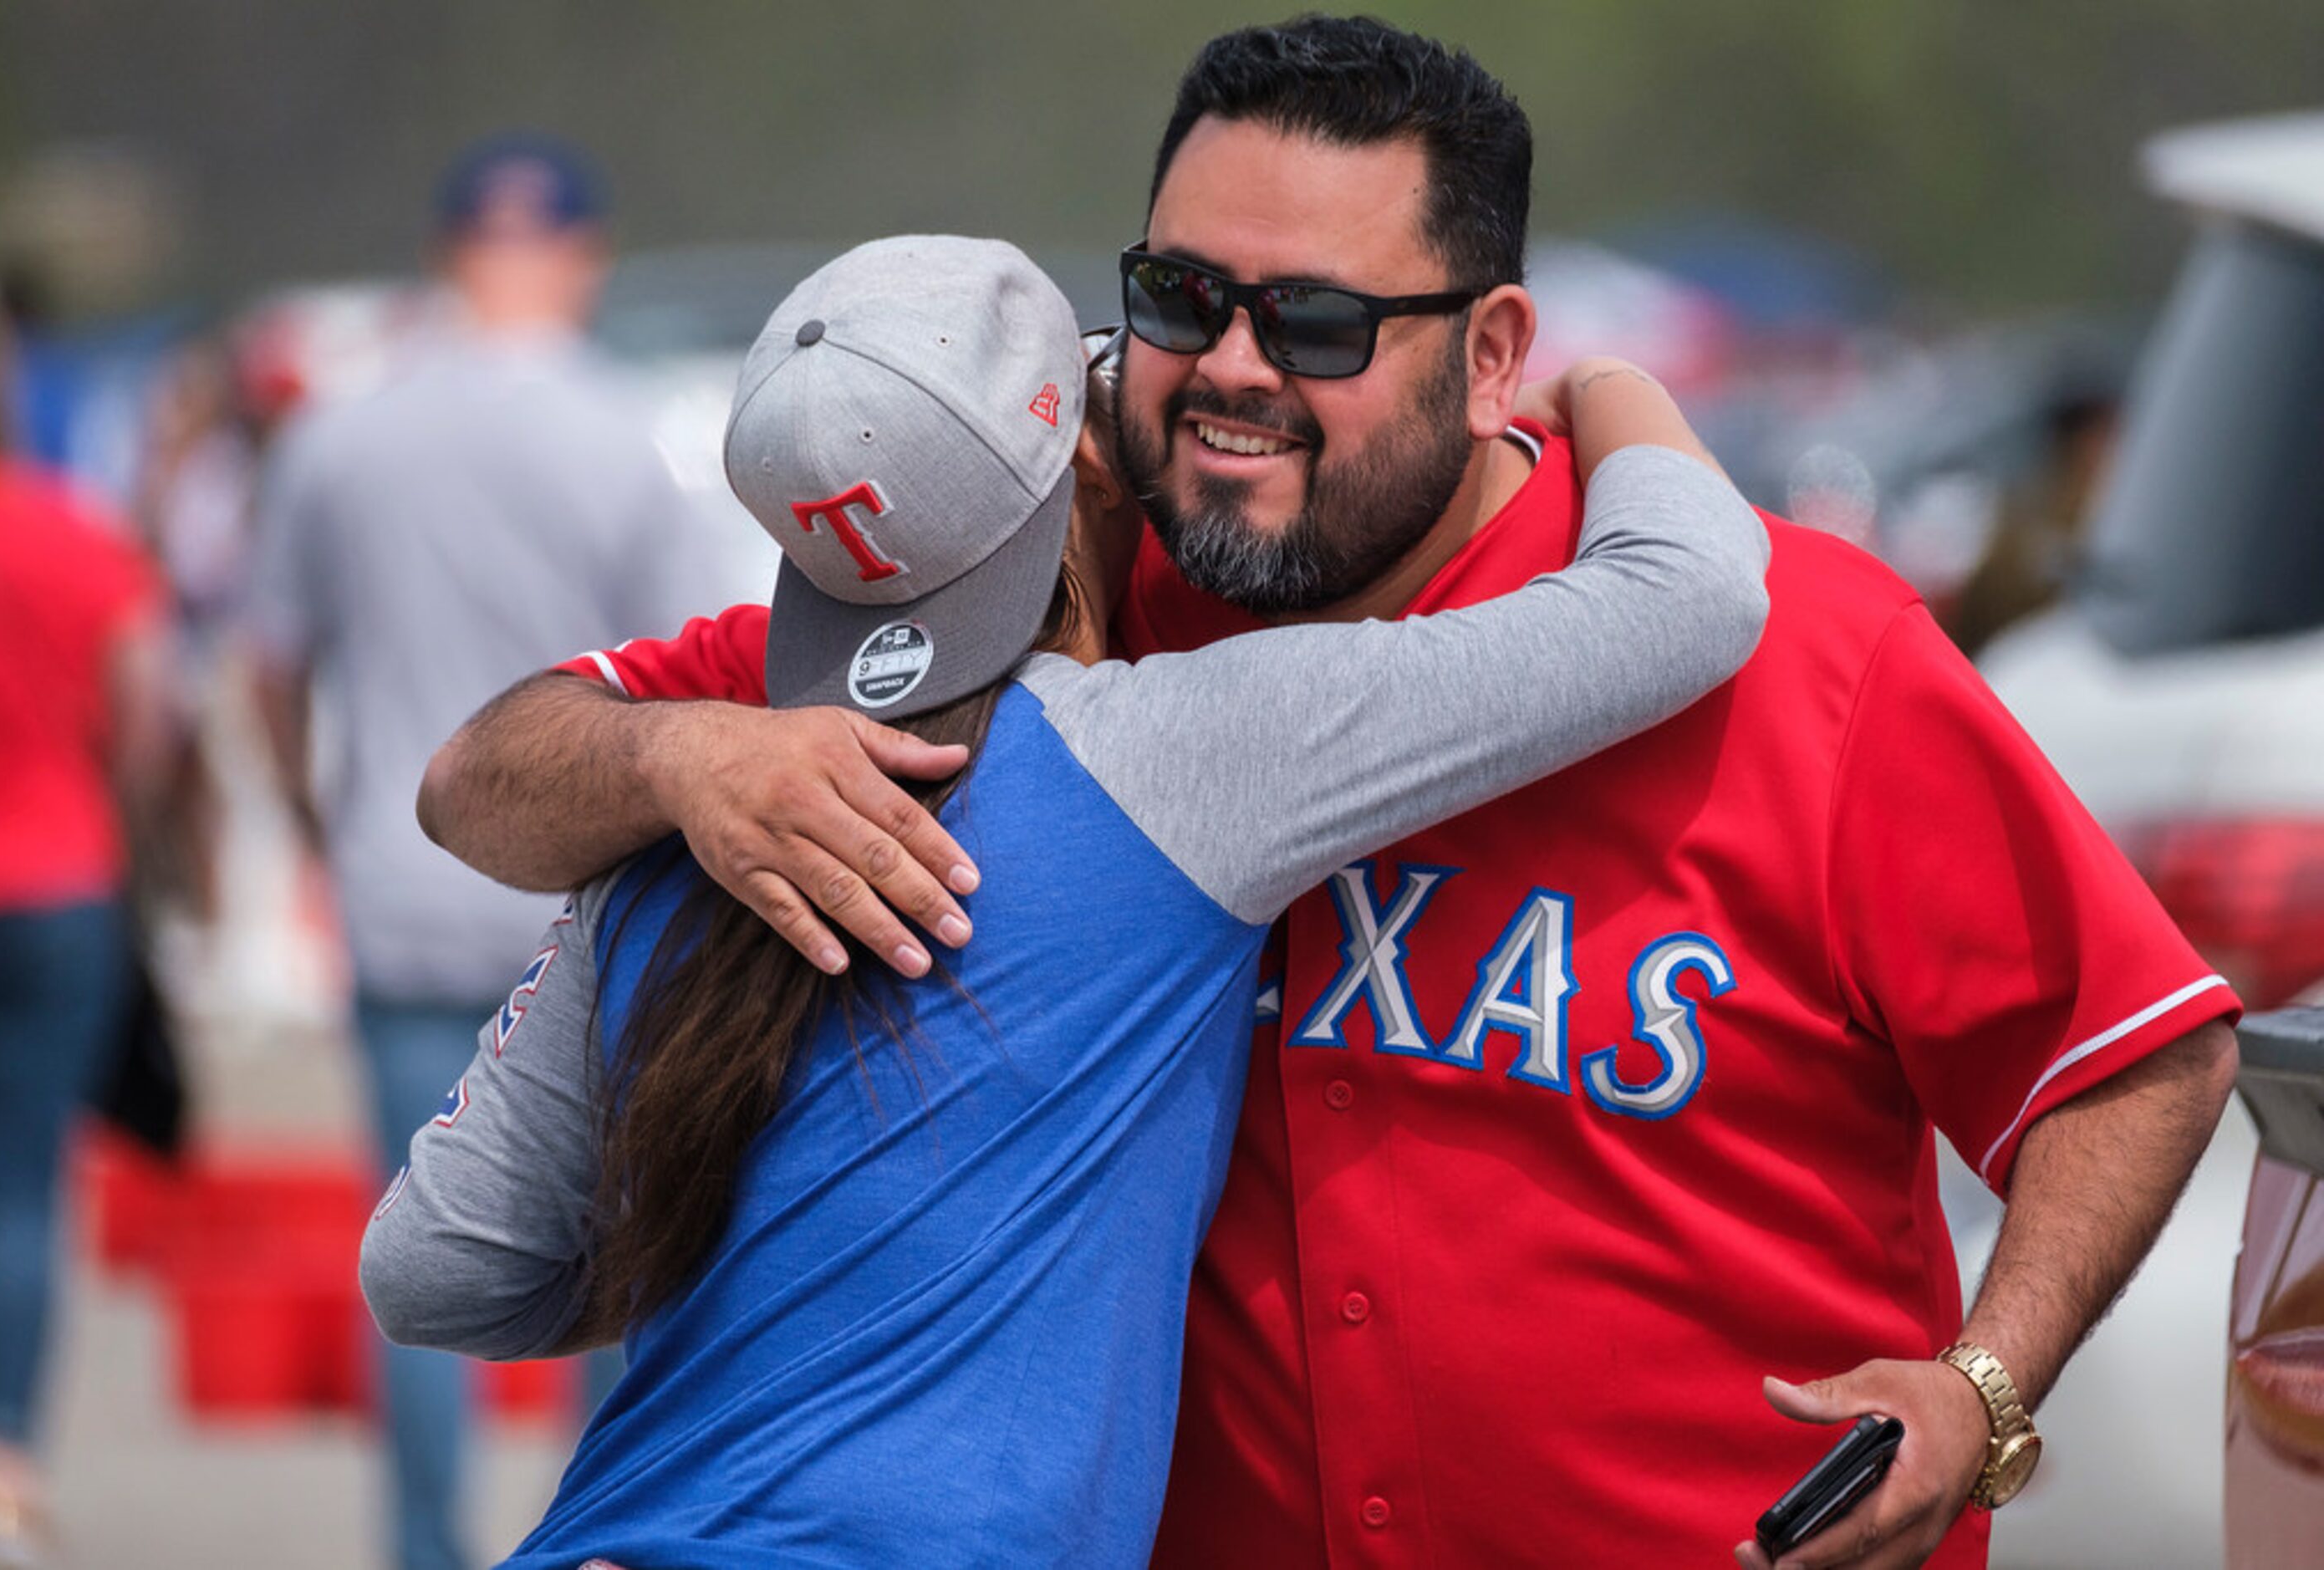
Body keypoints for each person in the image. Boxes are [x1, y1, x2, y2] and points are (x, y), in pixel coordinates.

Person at [411, 19, 2243, 1569]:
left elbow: (2132, 1054)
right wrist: (679, 758)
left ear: (1494, 349)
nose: (1225, 369)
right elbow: (485, 783)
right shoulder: (1045, 599)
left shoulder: (1796, 652)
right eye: (1179, 296)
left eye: (1313, 323)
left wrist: (1984, 1391)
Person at [363, 233, 1766, 1568]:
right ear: (1088, 446)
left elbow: (430, 1271)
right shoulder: (1187, 760)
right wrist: (1605, 387)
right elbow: (1689, 592)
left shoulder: (668, 836)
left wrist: (755, 1265)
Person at [241, 133, 711, 1570]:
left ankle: (429, 1550)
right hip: (580, 909)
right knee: (616, 1258)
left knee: (414, 1270)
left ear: (448, 251)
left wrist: (321, 824)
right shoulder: (618, 434)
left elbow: (272, 668)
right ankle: (593, 1539)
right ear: (583, 253)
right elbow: (690, 687)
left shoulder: (340, 431)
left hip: (399, 884)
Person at [0, 293, 171, 1566]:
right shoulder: (70, 531)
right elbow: (148, 711)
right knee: (16, 1188)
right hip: (52, 880)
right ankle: (0, 1456)